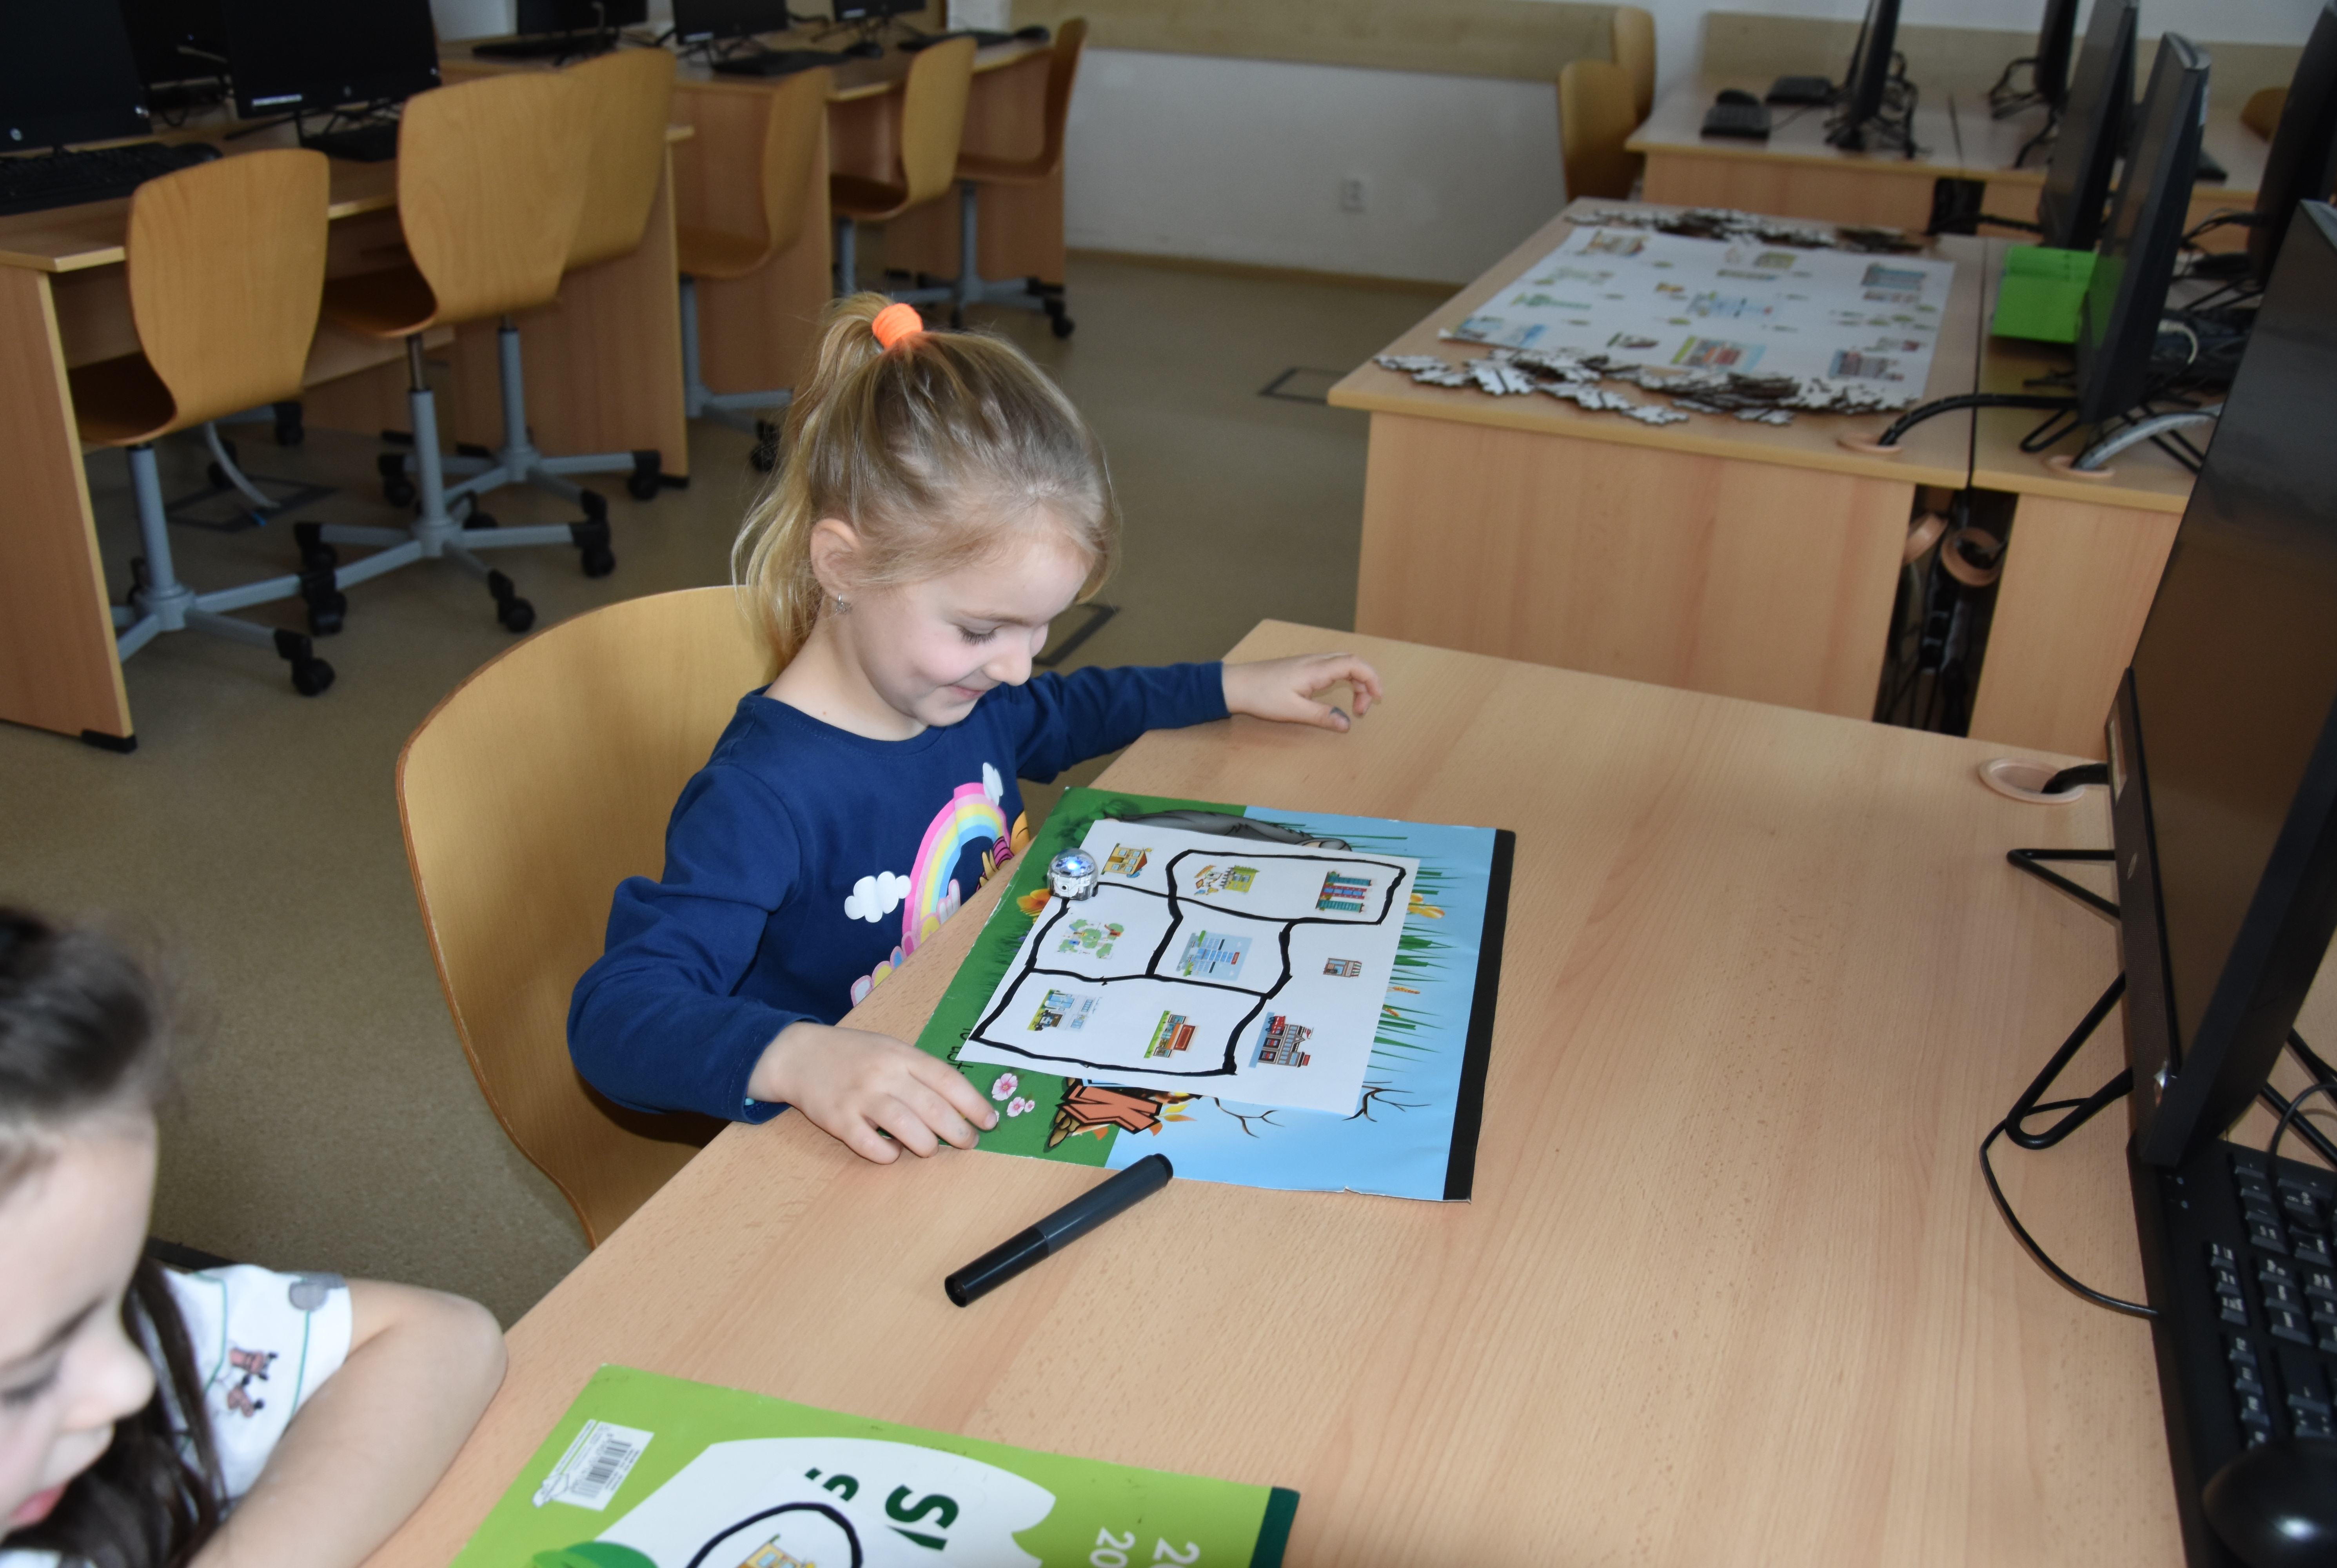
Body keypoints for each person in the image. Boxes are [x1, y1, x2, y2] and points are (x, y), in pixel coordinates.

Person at [570, 297, 1383, 1163]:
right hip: (840, 1151)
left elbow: (1073, 708)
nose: (1017, 668)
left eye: (1041, 628)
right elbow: (617, 1014)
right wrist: (797, 1056)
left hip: (973, 1054)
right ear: (843, 565)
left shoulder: (959, 694)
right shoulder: (761, 796)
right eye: (982, 630)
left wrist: (1228, 684)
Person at [0, 909, 506, 1568]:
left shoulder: (109, 1338)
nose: (131, 1382)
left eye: (122, 1294)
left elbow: (444, 1339)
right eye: (27, 1382)